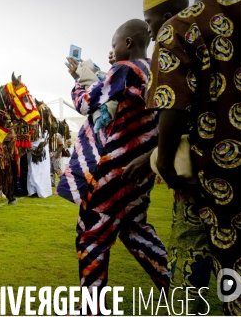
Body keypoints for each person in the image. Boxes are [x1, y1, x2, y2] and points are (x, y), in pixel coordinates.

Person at [146, 0, 241, 316]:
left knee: (189, 280)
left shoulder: (176, 29)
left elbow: (172, 106)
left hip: (203, 181)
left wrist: (166, 161)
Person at [64, 19, 170, 309]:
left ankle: (91, 308)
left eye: (114, 45)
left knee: (92, 237)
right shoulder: (155, 69)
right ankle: (175, 284)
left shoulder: (125, 70)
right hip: (140, 170)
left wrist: (77, 81)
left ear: (127, 43)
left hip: (111, 173)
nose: (111, 52)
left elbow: (87, 103)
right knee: (136, 231)